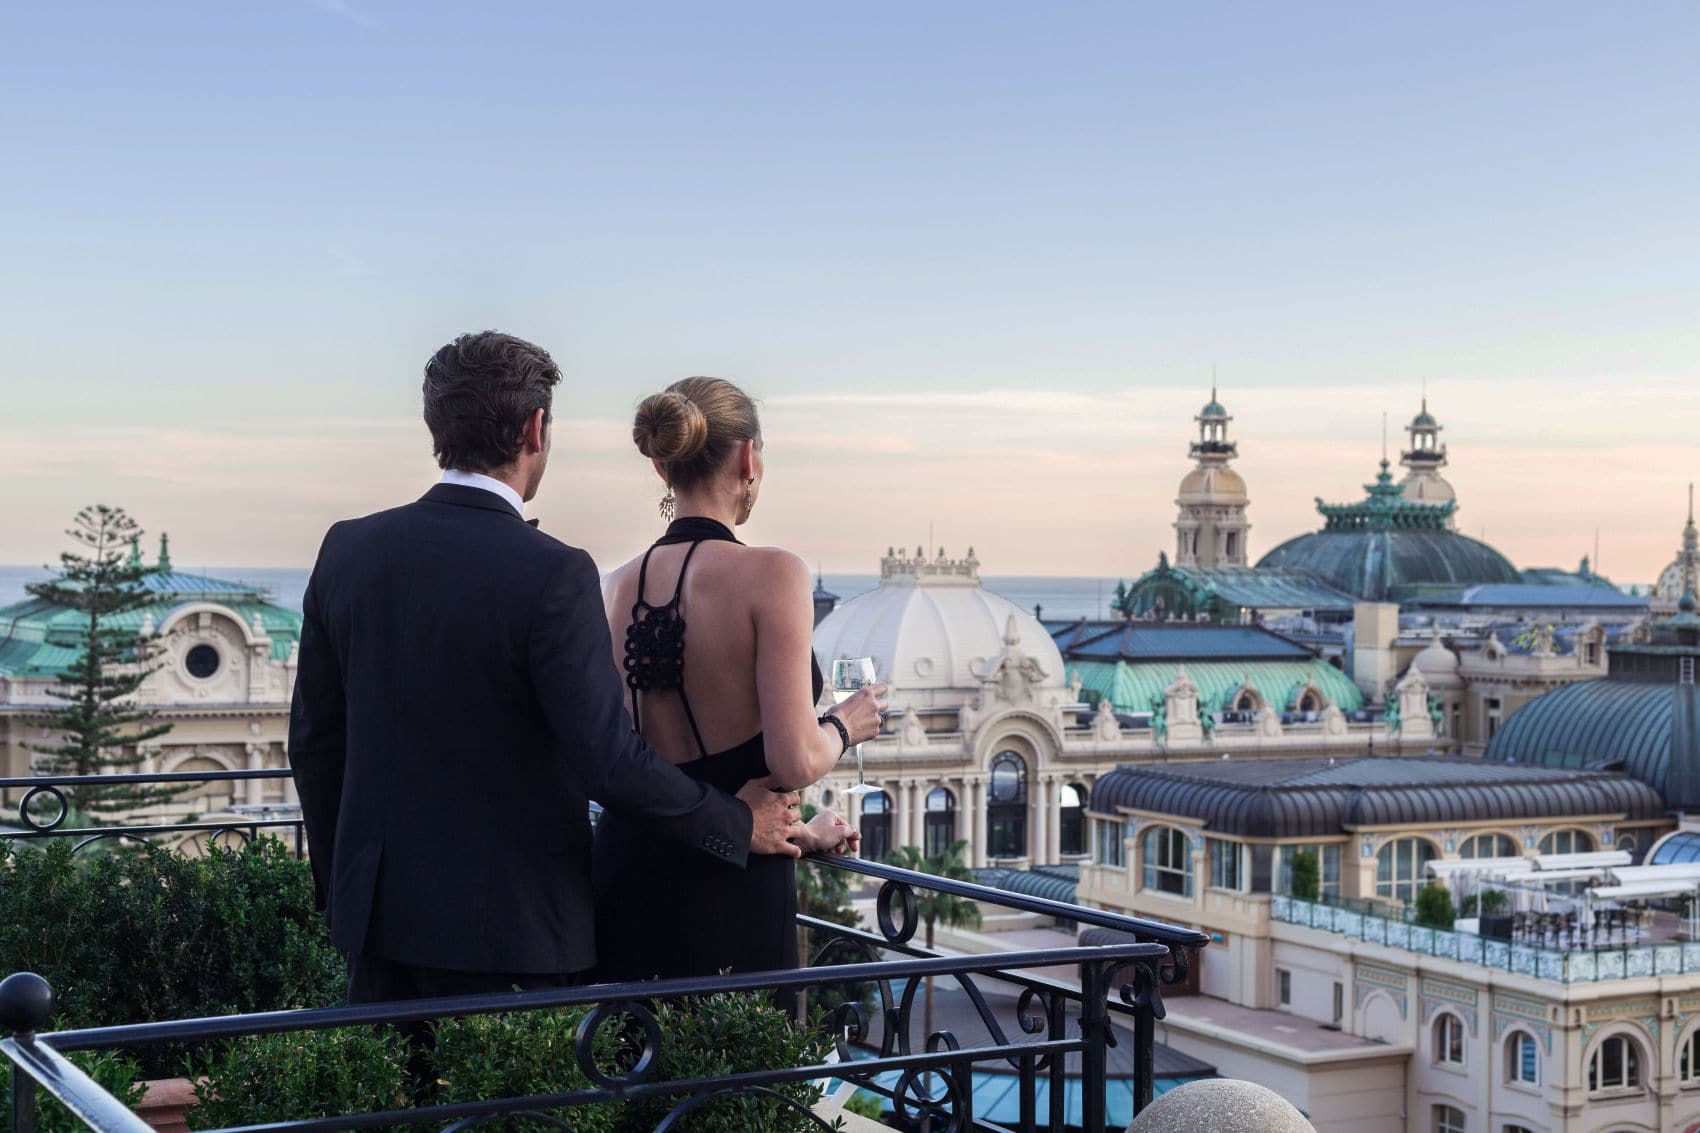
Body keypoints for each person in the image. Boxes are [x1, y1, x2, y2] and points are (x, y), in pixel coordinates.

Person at [288, 333, 806, 1005]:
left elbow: (315, 745)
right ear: (536, 429)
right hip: (514, 936)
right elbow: (608, 760)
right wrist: (736, 822)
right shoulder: (553, 571)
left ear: (435, 426)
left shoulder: (348, 549)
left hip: (379, 932)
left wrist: (349, 895)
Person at [592, 377, 886, 994]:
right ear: (748, 458)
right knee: (736, 1056)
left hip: (623, 884)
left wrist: (802, 832)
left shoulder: (613, 586)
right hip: (730, 898)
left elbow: (652, 773)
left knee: (635, 1053)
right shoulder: (774, 573)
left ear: (663, 464)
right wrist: (845, 725)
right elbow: (792, 760)